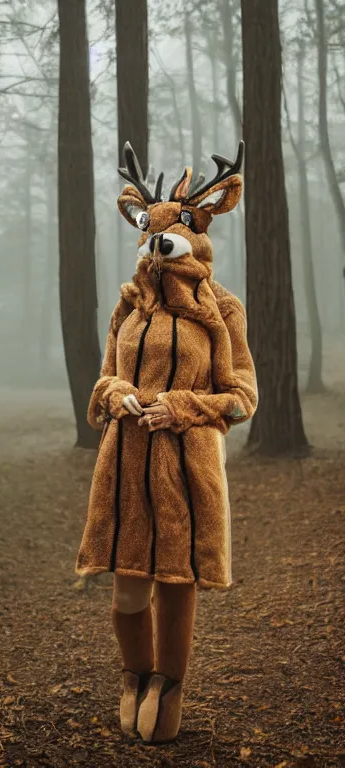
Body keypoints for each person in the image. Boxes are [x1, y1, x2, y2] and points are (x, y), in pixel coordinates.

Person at [75, 140, 258, 744]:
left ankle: (168, 686)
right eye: (154, 227)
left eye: (176, 225)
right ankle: (134, 678)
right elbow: (103, 378)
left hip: (188, 465)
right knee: (129, 585)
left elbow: (241, 396)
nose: (161, 239)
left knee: (176, 582)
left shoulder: (222, 309)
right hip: (125, 462)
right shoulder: (129, 304)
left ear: (198, 228)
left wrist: (182, 407)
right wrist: (116, 392)